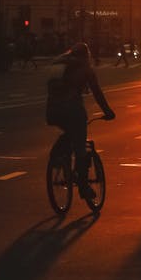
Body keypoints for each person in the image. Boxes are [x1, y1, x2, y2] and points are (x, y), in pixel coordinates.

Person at [46, 42, 115, 200]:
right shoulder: (85, 68)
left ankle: (58, 155)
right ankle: (83, 187)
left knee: (68, 133)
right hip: (73, 111)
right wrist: (108, 112)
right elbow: (97, 93)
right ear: (86, 56)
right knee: (80, 148)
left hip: (52, 110)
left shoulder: (59, 64)